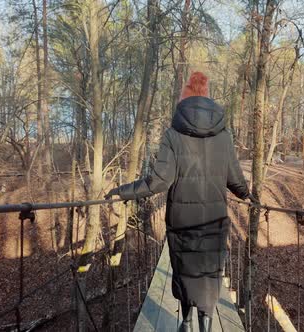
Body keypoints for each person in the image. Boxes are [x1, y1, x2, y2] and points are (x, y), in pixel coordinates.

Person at [105, 71, 253, 332]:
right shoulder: (224, 135)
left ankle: (185, 323)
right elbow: (235, 179)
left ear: (183, 99)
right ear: (208, 97)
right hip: (214, 221)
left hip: (182, 223)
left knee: (184, 272)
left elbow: (159, 182)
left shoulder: (173, 134)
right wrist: (249, 196)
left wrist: (122, 191)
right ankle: (206, 326)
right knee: (209, 275)